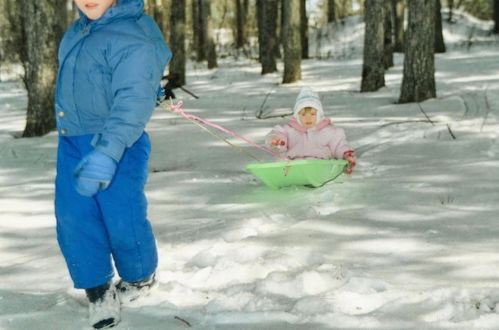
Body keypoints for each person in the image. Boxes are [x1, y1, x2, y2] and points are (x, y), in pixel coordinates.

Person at [54, 0, 171, 328]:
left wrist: (109, 151)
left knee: (122, 216)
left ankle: (139, 277)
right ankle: (97, 288)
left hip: (119, 144)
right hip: (73, 142)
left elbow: (132, 98)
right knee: (74, 216)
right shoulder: (77, 31)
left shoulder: (135, 35)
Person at [265, 87, 356, 173]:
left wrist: (346, 154)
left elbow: (339, 146)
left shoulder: (329, 132)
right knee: (281, 161)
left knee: (335, 161)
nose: (308, 118)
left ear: (319, 114)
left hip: (320, 166)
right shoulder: (290, 130)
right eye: (303, 115)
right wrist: (276, 140)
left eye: (312, 114)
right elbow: (279, 133)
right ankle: (282, 174)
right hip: (295, 165)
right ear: (297, 115)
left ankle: (346, 165)